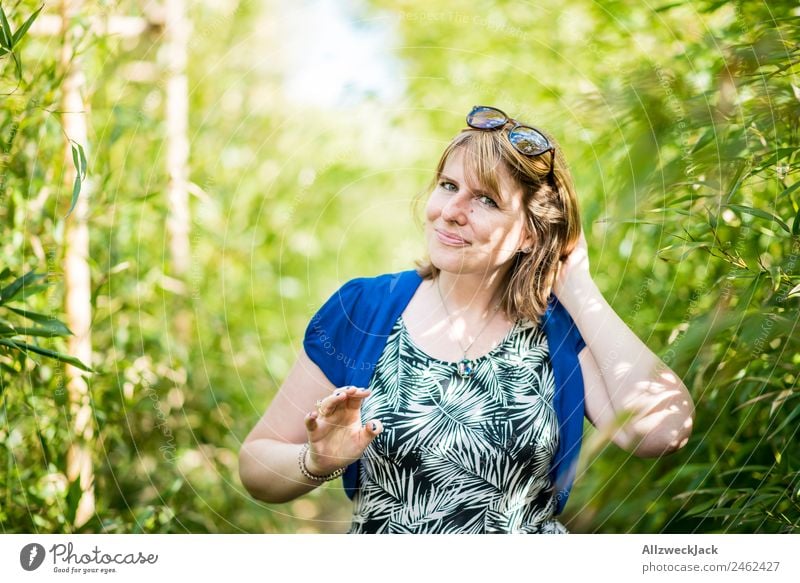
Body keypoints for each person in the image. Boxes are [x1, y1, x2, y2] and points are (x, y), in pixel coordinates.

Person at [239, 105, 695, 533]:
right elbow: (257, 467)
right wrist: (315, 461)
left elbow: (663, 431)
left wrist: (578, 287)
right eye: (448, 185)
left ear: (530, 234)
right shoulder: (363, 308)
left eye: (486, 201)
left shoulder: (560, 328)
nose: (451, 213)